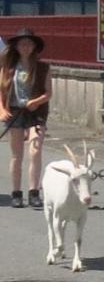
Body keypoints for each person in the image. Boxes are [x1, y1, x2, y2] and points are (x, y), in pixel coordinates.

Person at [0, 28, 50, 209]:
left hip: (36, 113)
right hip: (14, 112)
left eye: (29, 43)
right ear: (16, 46)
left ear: (35, 47)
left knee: (35, 151)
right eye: (22, 44)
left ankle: (34, 192)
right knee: (17, 155)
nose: (26, 47)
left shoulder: (43, 67)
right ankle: (16, 193)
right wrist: (2, 110)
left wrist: (36, 101)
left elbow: (48, 93)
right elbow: (1, 91)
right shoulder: (8, 67)